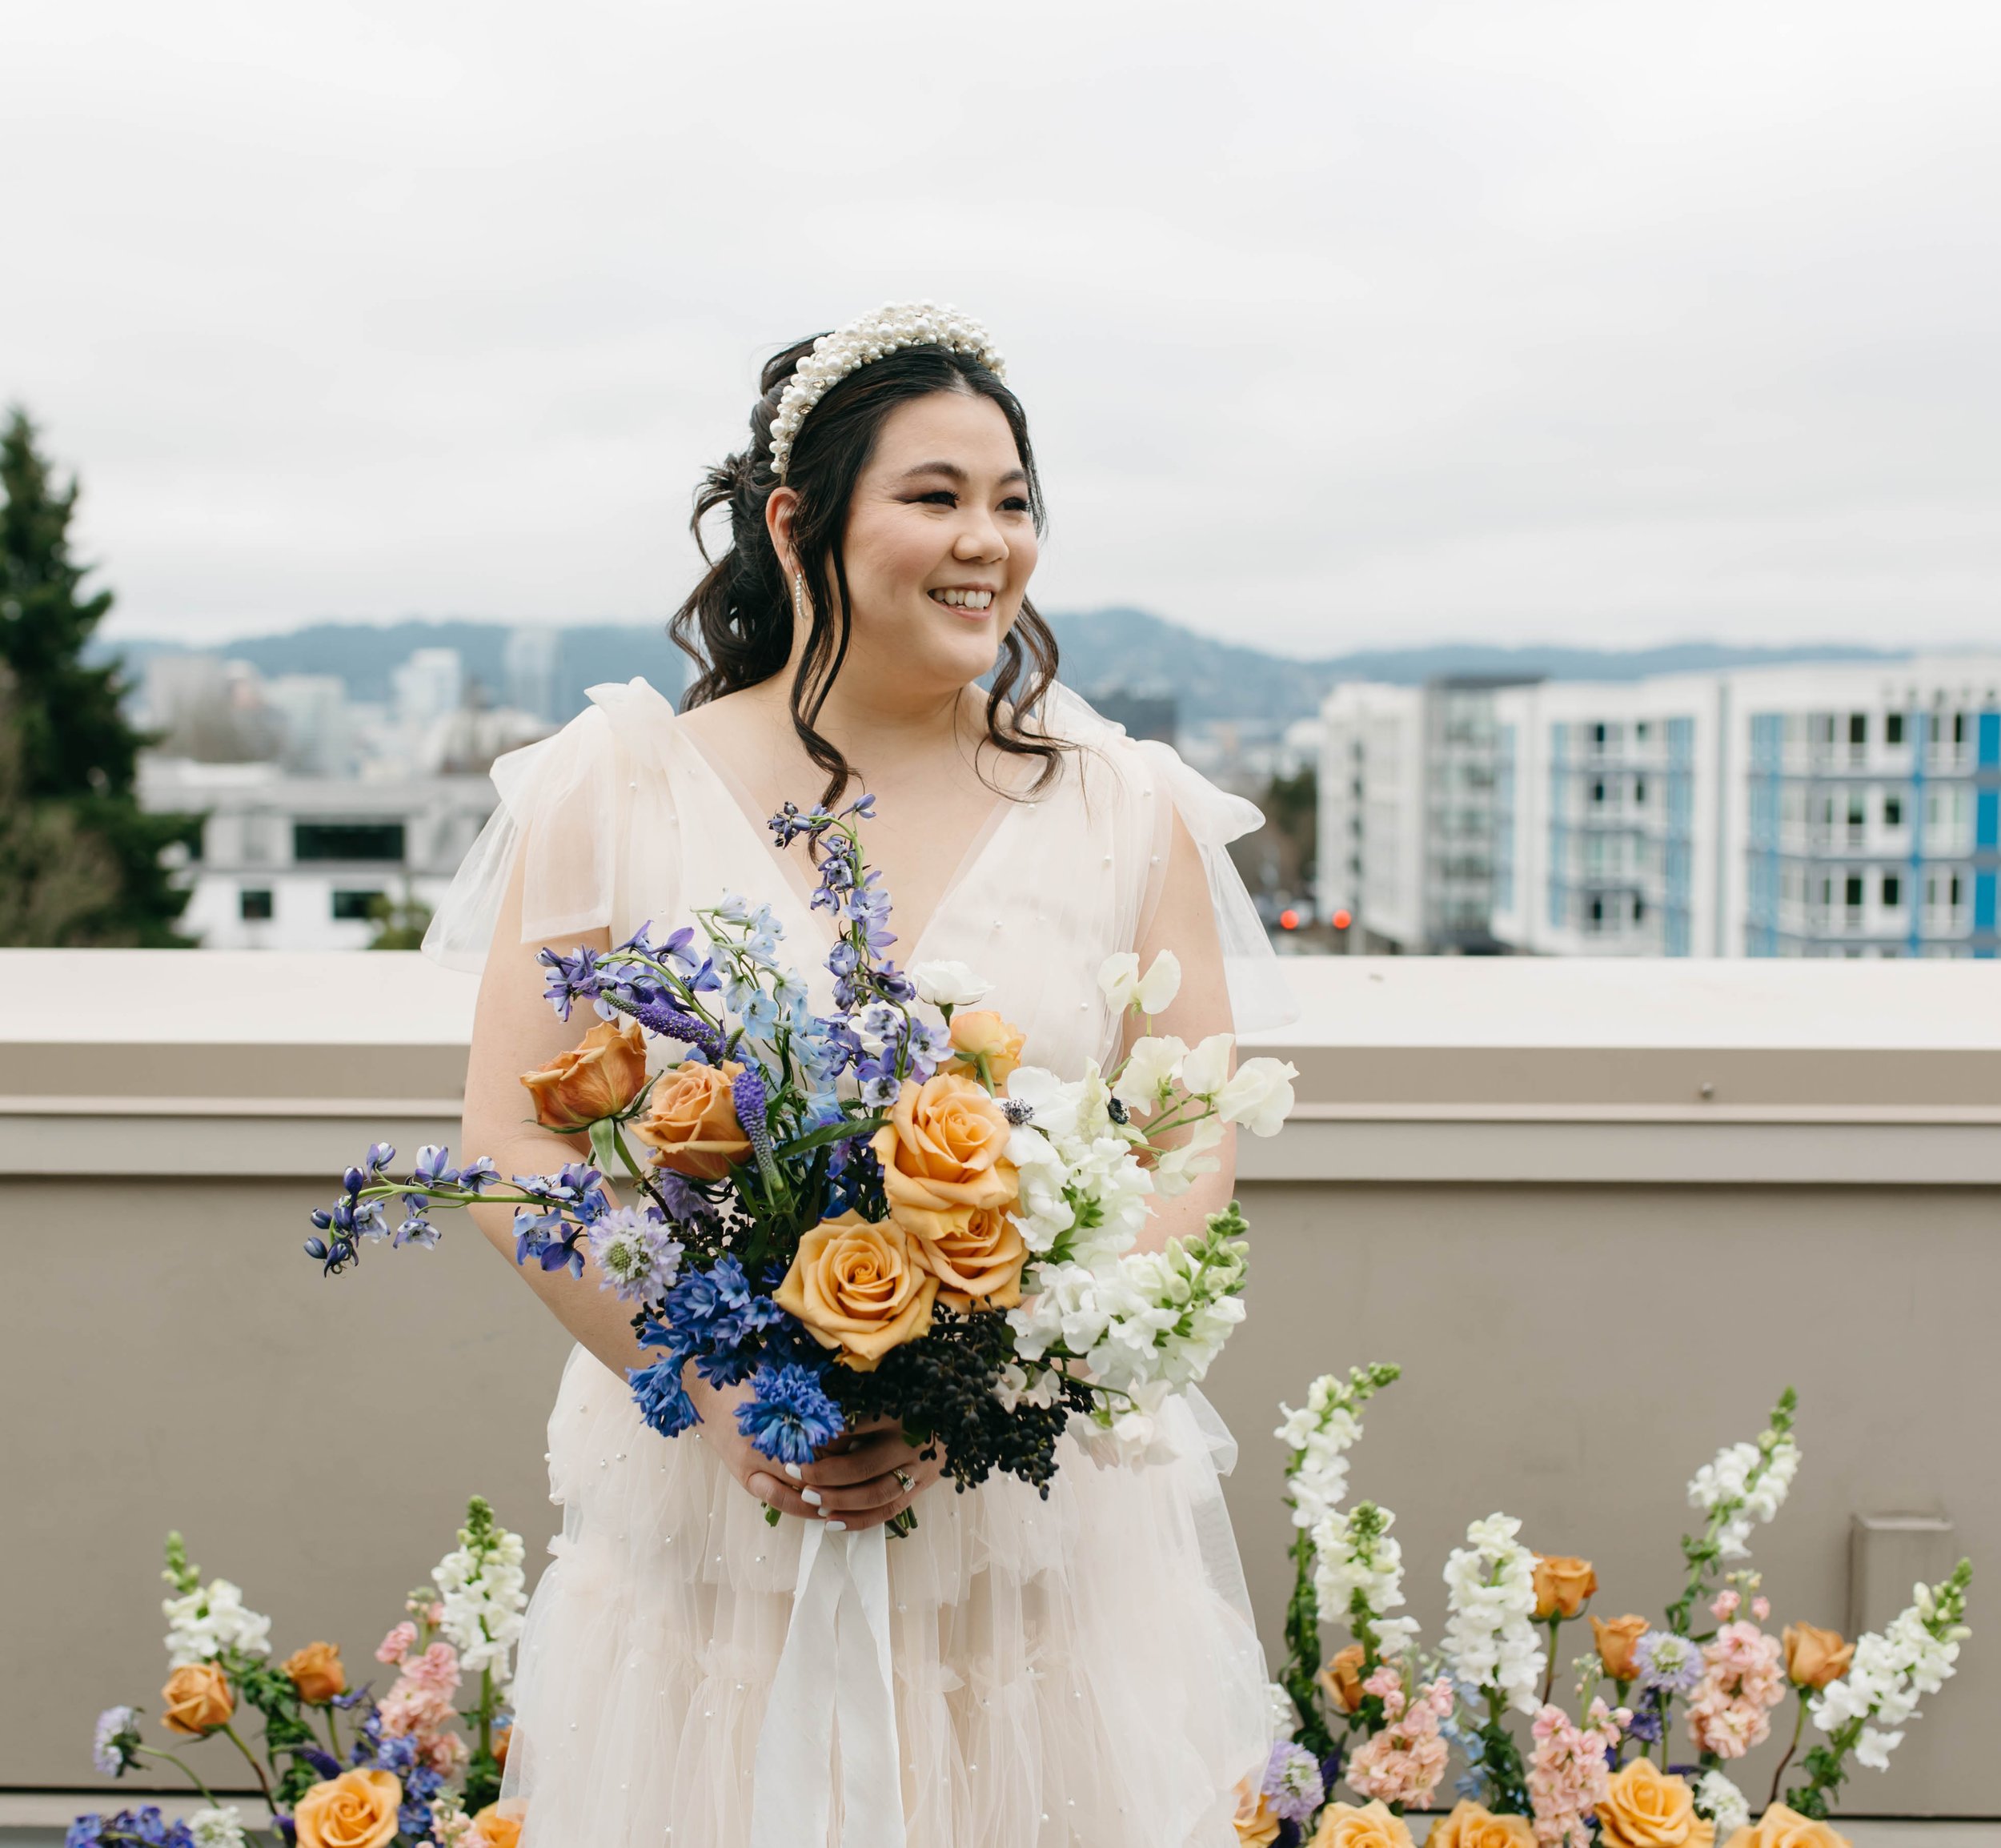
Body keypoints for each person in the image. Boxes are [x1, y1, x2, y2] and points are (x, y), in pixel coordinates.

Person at [428, 304, 1296, 1846]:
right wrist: (719, 1383)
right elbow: (513, 1138)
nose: (990, 541)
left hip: (1031, 1540)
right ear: (797, 522)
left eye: (1015, 501)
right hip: (717, 1526)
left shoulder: (1125, 806)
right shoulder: (612, 786)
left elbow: (1185, 1138)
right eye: (937, 495)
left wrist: (986, 1379)